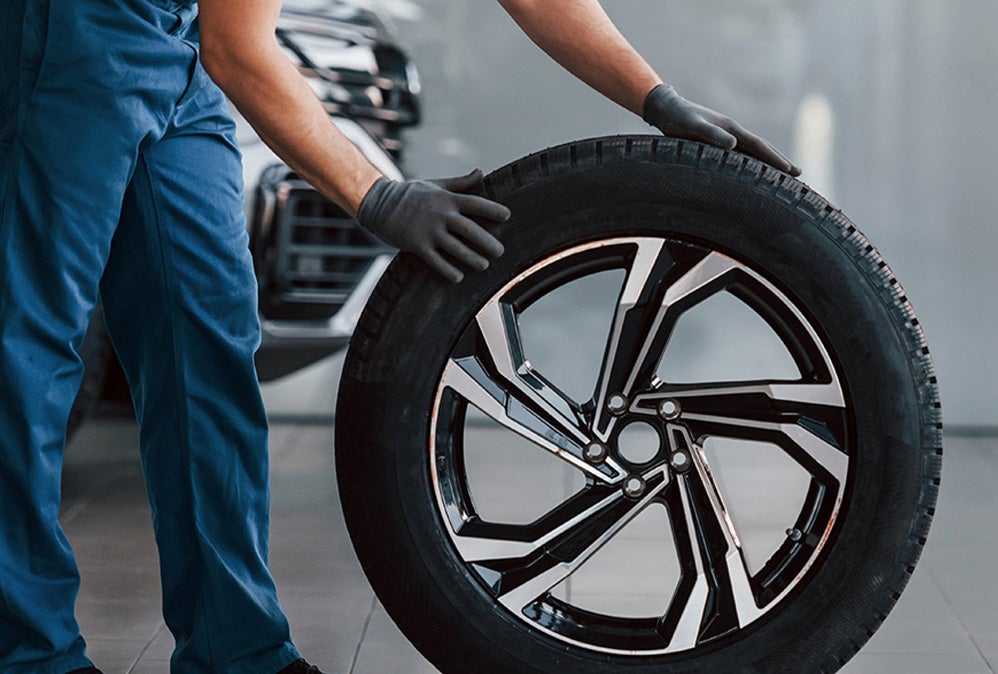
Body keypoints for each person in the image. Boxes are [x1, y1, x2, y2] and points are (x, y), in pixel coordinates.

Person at [0, 0, 799, 672]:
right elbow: (239, 48)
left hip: (176, 42)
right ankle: (26, 652)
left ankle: (234, 653)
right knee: (29, 353)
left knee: (207, 349)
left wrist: (655, 99)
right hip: (71, 31)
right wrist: (378, 196)